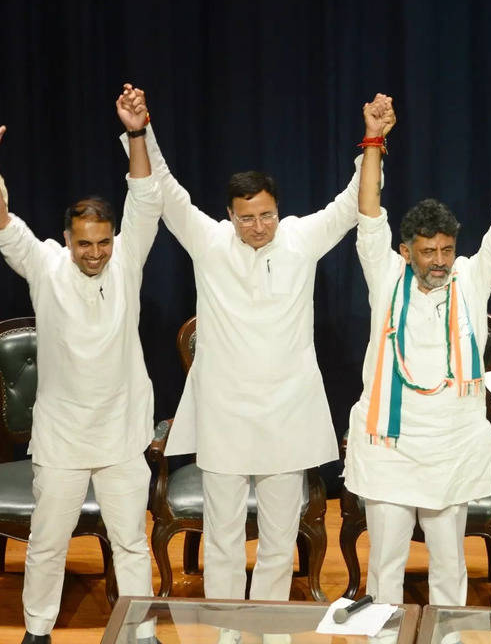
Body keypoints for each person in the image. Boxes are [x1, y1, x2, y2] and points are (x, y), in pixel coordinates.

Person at [121, 86, 378, 644]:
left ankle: (271, 631)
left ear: (277, 211)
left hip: (288, 412)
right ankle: (227, 633)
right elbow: (165, 192)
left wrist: (374, 140)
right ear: (229, 215)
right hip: (224, 413)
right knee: (222, 537)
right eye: (246, 218)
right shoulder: (210, 243)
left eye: (265, 215)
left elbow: (352, 202)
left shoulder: (300, 238)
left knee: (282, 536)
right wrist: (141, 132)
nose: (257, 226)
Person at [0, 88, 162, 644]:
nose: (95, 253)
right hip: (61, 434)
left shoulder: (127, 260)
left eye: (103, 242)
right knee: (48, 541)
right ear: (67, 239)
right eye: (84, 243)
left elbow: (146, 196)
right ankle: (37, 632)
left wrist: (135, 134)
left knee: (131, 540)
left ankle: (142, 633)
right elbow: (3, 222)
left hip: (123, 430)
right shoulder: (45, 265)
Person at [342, 101, 491, 605]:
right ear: (407, 251)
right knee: (385, 568)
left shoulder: (470, 277)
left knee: (449, 568)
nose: (440, 261)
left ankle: (450, 637)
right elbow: (369, 213)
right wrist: (373, 141)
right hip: (390, 447)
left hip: (450, 444)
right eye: (429, 252)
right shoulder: (385, 274)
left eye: (446, 250)